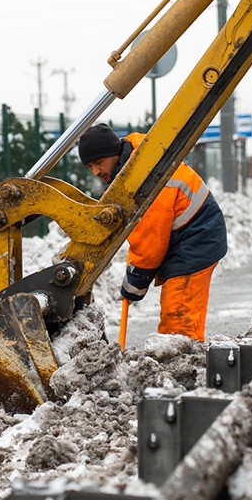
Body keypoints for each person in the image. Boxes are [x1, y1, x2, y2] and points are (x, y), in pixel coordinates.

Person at [78, 123, 227, 341]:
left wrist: (135, 283)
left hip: (196, 238)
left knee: (178, 317)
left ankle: (185, 364)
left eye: (99, 163)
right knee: (176, 313)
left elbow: (151, 244)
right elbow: (141, 235)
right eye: (90, 166)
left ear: (115, 152)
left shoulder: (144, 177)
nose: (96, 172)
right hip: (191, 234)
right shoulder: (136, 157)